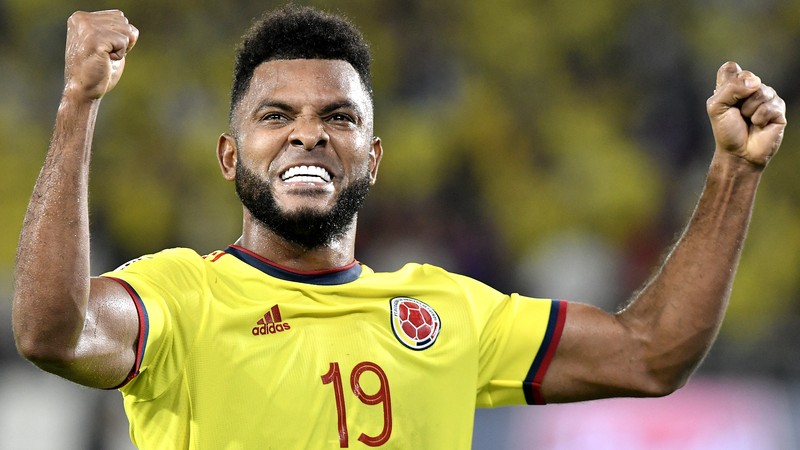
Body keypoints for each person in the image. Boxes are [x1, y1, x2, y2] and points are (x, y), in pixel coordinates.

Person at [12, 5, 786, 449]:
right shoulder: (179, 296)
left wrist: (734, 173)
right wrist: (79, 103)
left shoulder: (448, 313)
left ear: (373, 157)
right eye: (275, 115)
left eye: (338, 117)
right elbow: (51, 332)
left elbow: (651, 356)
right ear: (228, 155)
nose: (307, 134)